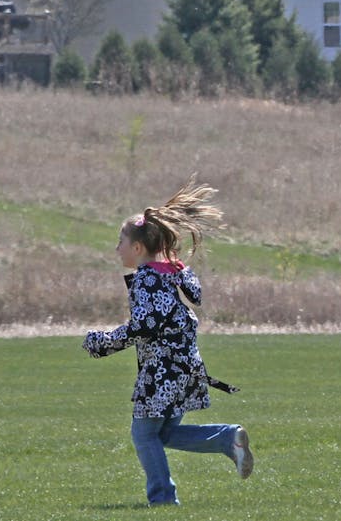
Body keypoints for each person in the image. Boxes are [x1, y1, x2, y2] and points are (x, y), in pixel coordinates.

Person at [82, 179, 252, 506]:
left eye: (120, 241)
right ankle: (227, 438)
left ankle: (162, 499)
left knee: (144, 434)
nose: (116, 248)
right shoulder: (171, 272)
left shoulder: (147, 278)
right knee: (163, 434)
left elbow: (144, 326)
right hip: (185, 368)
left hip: (163, 373)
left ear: (137, 248)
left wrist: (102, 342)